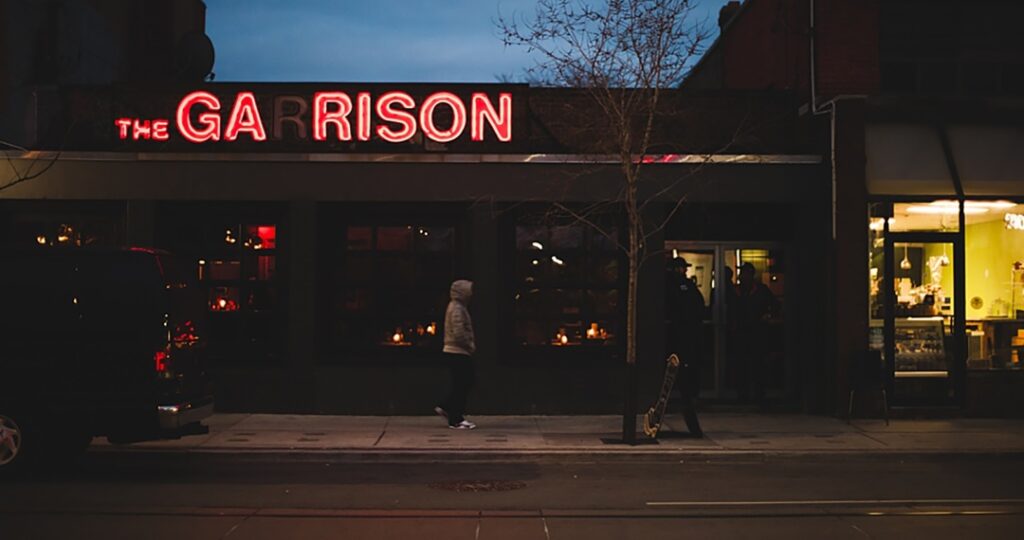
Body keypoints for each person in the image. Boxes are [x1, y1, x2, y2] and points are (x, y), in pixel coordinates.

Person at [665, 257, 705, 437]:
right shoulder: (672, 287)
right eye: (678, 268)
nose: (681, 271)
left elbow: (698, 308)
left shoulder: (687, 288)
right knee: (676, 383)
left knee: (684, 384)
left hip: (684, 339)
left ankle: (693, 425)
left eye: (682, 268)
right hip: (676, 338)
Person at [435, 279, 477, 430]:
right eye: (469, 290)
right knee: (464, 382)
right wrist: (469, 344)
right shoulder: (457, 309)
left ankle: (448, 408)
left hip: (455, 350)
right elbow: (459, 332)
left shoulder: (457, 307)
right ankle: (455, 417)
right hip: (458, 351)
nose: (471, 293)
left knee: (463, 383)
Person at [734, 262, 777, 405]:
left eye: (745, 273)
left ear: (751, 275)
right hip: (741, 334)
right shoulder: (737, 291)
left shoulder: (761, 291)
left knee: (758, 366)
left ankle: (759, 396)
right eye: (741, 274)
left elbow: (775, 305)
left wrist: (767, 316)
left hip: (757, 334)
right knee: (742, 366)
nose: (742, 276)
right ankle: (742, 395)